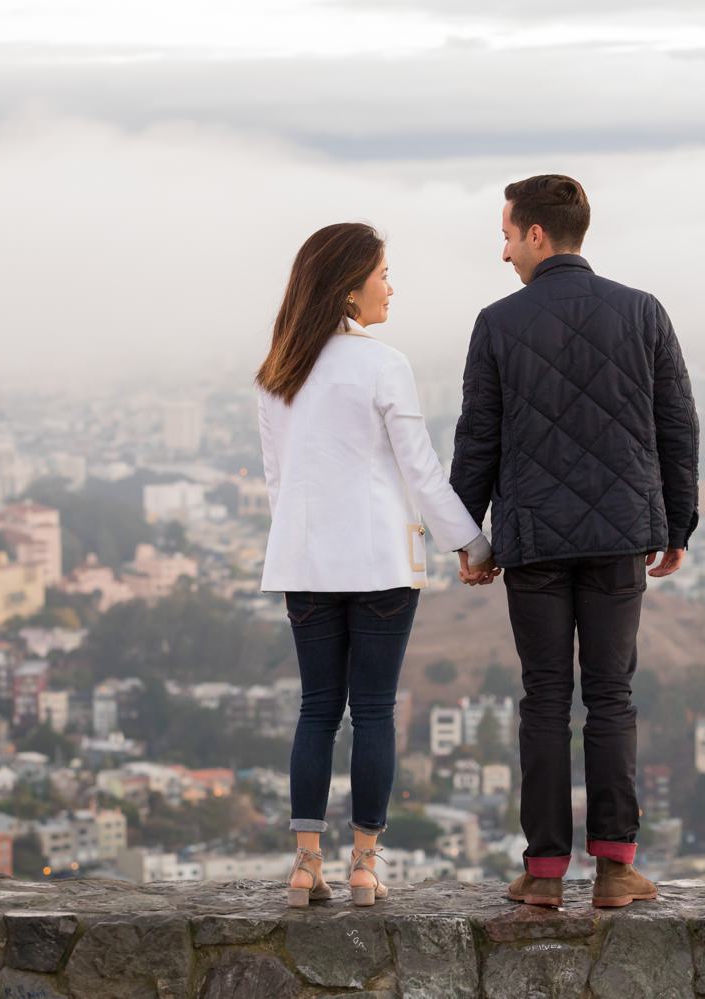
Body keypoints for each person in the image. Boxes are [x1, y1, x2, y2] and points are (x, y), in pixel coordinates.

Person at [451, 175, 700, 908]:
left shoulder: (498, 323)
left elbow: (478, 440)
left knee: (545, 699)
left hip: (533, 540)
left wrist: (472, 538)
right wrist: (675, 524)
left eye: (505, 234)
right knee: (612, 695)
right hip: (621, 531)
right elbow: (677, 426)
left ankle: (545, 871)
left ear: (536, 234)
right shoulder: (643, 312)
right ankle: (617, 868)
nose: (502, 252)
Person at [257, 222, 495, 908]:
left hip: (304, 560)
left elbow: (280, 481)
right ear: (350, 284)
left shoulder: (277, 369)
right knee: (374, 713)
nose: (391, 286)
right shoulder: (383, 363)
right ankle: (364, 865)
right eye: (384, 273)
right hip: (379, 560)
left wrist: (303, 541)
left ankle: (306, 866)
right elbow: (418, 469)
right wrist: (472, 544)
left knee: (316, 710)